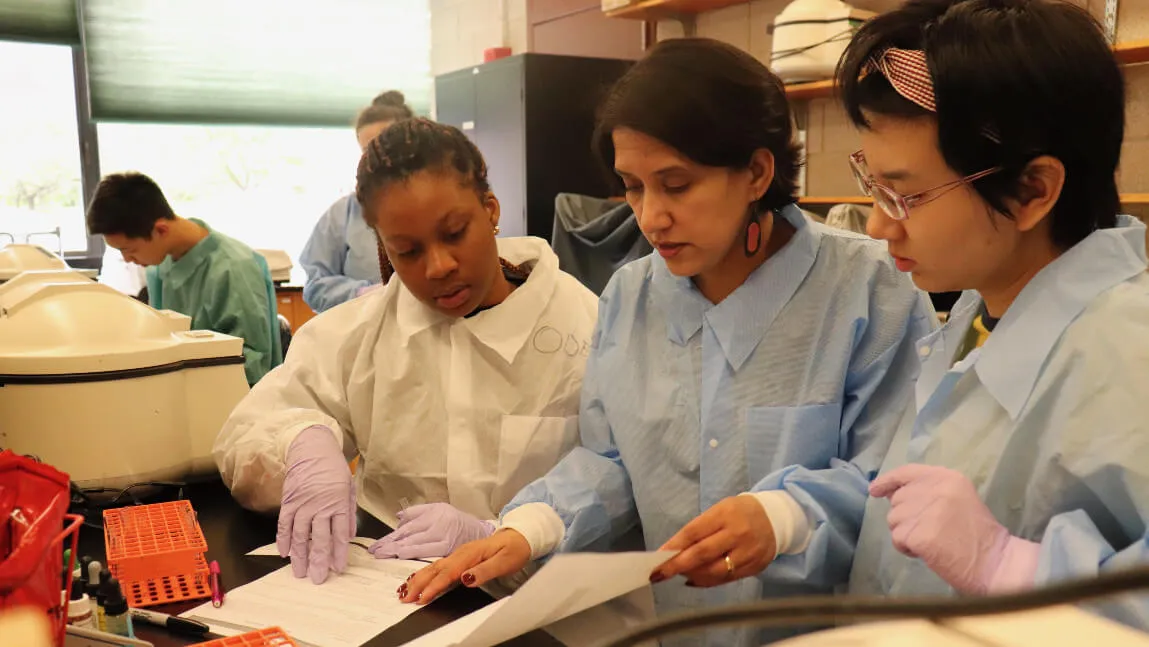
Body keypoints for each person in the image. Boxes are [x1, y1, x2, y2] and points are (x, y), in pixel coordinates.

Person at [398, 38, 935, 646]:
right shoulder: (632, 295)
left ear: (757, 172)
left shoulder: (872, 290)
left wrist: (784, 516)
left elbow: (898, 482)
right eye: (633, 186)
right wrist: (531, 526)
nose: (651, 217)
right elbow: (613, 460)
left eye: (676, 185)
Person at [803, 0, 1147, 629]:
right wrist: (788, 519)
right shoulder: (980, 307)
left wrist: (1011, 568)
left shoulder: (1129, 349)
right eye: (872, 186)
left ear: (1031, 190)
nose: (878, 226)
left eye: (905, 195)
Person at [213, 118, 600, 586]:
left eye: (455, 233)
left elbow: (616, 478)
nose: (439, 267)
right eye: (408, 251)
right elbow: (244, 436)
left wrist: (499, 531)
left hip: (535, 598)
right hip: (389, 589)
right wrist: (300, 444)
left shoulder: (583, 325)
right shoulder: (362, 332)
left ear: (491, 210)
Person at [87, 172, 283, 386]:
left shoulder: (234, 267)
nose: (127, 260)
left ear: (161, 229)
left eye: (130, 250)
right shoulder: (159, 269)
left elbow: (254, 365)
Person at [299, 90, 414, 313]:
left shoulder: (436, 204)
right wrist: (363, 293)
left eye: (382, 148)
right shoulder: (342, 215)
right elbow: (315, 287)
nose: (375, 159)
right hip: (367, 330)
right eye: (366, 151)